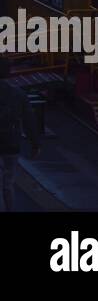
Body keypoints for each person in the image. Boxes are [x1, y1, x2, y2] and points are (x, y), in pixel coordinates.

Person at [0, 58, 41, 212]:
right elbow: (30, 120)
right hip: (11, 142)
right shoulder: (18, 94)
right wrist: (35, 144)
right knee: (8, 182)